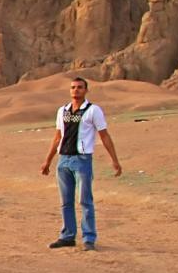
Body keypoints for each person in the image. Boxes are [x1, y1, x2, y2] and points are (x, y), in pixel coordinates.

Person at [41, 76, 122, 251]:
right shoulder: (62, 111)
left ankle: (88, 238)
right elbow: (57, 137)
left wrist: (114, 160)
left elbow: (104, 135)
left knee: (85, 201)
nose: (75, 90)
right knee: (66, 202)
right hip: (64, 160)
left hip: (82, 159)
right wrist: (48, 160)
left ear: (86, 90)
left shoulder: (93, 111)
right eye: (73, 87)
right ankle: (67, 236)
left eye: (79, 87)